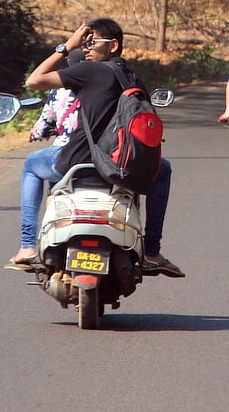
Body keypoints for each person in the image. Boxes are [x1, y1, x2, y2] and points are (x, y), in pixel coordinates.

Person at [25, 17, 184, 278]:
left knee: (32, 165)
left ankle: (28, 246)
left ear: (113, 45)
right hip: (123, 167)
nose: (84, 49)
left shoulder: (89, 71)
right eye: (82, 43)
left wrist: (66, 46)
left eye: (90, 42)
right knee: (163, 170)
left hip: (76, 164)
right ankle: (153, 252)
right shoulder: (132, 78)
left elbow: (34, 81)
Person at [6, 51, 86, 268]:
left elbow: (42, 126)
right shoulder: (108, 82)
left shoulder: (59, 90)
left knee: (32, 165)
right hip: (104, 157)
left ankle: (28, 244)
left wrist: (36, 133)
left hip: (66, 155)